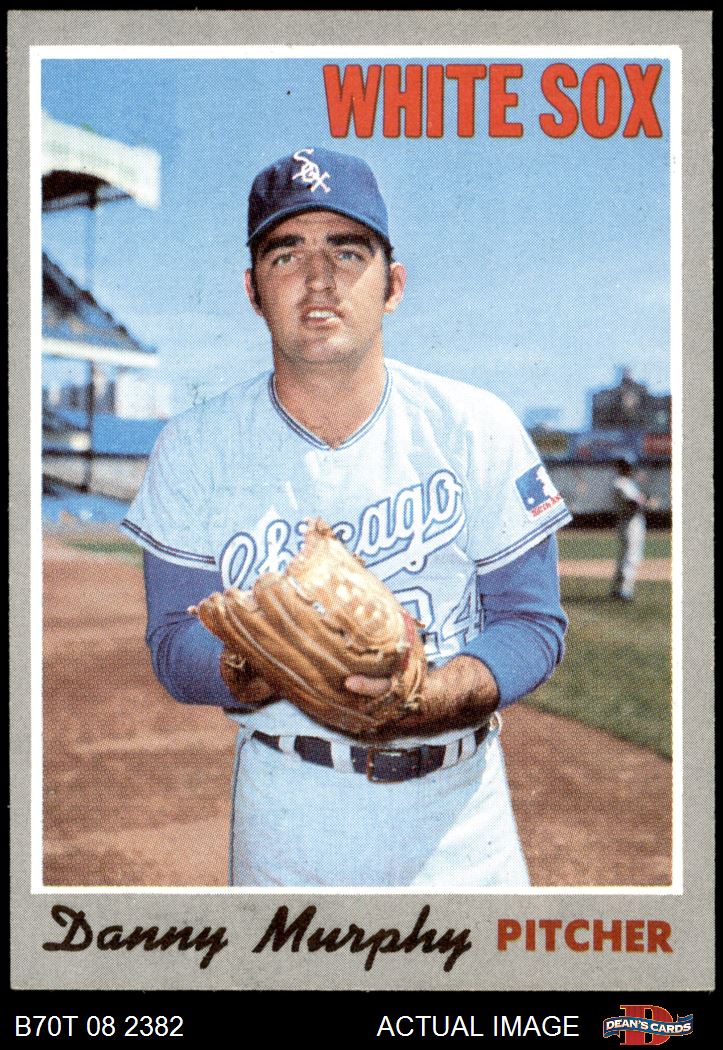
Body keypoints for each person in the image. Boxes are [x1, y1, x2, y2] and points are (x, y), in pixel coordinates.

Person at [121, 146, 572, 888]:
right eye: (286, 254)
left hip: (461, 822)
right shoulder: (195, 446)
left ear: (393, 285)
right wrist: (266, 665)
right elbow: (173, 641)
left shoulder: (474, 424)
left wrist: (427, 697)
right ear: (252, 290)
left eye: (347, 251)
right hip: (289, 815)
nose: (319, 278)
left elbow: (532, 623)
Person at [610, 454, 655, 602]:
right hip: (630, 523)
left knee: (625, 557)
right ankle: (624, 592)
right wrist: (646, 500)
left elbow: (637, 501)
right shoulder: (621, 483)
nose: (629, 469)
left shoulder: (627, 483)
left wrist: (644, 499)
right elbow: (633, 503)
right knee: (631, 557)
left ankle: (617, 590)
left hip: (630, 522)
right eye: (627, 466)